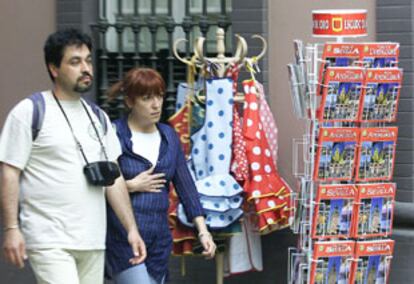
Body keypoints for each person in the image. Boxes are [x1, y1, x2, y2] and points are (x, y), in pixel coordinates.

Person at [0, 28, 146, 284]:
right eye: (75, 62)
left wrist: (131, 229)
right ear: (54, 68)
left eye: (88, 60)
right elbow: (10, 171)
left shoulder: (98, 117)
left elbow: (114, 176)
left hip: (92, 240)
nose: (86, 68)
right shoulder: (31, 111)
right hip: (49, 239)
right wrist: (12, 228)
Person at [105, 67, 216, 284]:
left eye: (159, 96)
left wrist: (203, 231)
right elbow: (97, 184)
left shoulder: (169, 135)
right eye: (147, 98)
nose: (156, 104)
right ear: (129, 101)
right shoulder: (114, 134)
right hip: (123, 240)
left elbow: (186, 187)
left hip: (159, 242)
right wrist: (129, 185)